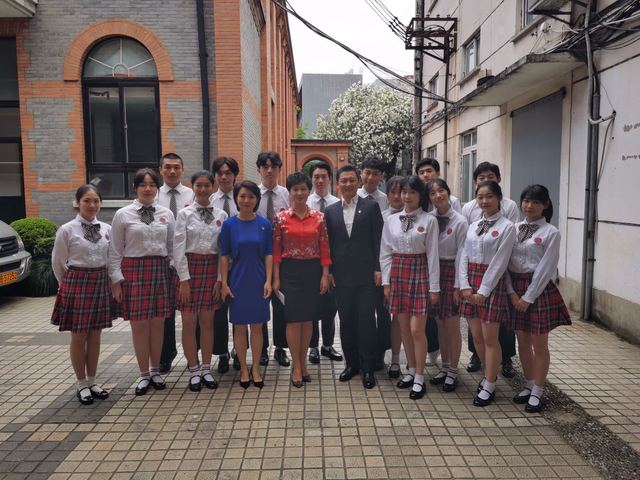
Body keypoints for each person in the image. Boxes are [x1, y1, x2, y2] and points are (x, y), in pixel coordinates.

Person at [110, 168, 175, 396]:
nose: (148, 189)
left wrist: (174, 272)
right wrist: (116, 281)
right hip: (133, 272)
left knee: (157, 324)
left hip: (160, 270)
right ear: (135, 188)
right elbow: (115, 251)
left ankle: (155, 370)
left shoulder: (166, 213)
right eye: (143, 185)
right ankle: (143, 374)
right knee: (139, 325)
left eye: (152, 185)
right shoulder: (123, 215)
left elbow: (172, 247)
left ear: (157, 188)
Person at [507, 185, 571, 413]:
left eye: (535, 202)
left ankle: (538, 390)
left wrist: (528, 297)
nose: (529, 206)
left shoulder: (551, 232)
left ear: (545, 205)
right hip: (515, 288)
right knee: (522, 339)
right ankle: (528, 383)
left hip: (538, 290)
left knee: (539, 342)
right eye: (526, 201)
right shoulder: (513, 229)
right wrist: (511, 292)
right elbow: (504, 262)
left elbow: (546, 268)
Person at [51, 185, 115, 405]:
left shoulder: (107, 229)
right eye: (87, 200)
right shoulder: (67, 230)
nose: (92, 205)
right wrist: (66, 286)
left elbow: (111, 258)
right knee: (79, 335)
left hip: (100, 282)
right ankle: (81, 384)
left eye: (96, 201)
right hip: (76, 283)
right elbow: (58, 262)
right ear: (78, 202)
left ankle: (93, 381)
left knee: (95, 335)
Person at [380, 176, 440, 400]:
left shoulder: (429, 220)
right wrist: (386, 282)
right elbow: (385, 252)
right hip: (398, 273)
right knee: (404, 328)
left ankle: (420, 377)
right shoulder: (391, 220)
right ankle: (411, 370)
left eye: (412, 192)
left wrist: (434, 287)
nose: (406, 196)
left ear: (420, 195)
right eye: (404, 192)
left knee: (417, 330)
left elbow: (433, 255)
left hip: (420, 273)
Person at [325, 164, 384, 389]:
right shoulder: (330, 211)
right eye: (344, 181)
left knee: (366, 321)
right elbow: (328, 245)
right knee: (346, 320)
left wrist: (378, 268)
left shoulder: (370, 207)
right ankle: (352, 365)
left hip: (366, 276)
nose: (348, 184)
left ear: (357, 182)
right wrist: (329, 272)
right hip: (341, 277)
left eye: (351, 180)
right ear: (337, 184)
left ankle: (368, 367)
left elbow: (378, 240)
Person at [459, 180, 516, 407]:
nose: (484, 201)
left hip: (491, 283)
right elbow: (464, 254)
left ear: (499, 198)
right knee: (477, 337)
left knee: (491, 338)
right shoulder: (473, 225)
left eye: (489, 196)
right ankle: (487, 374)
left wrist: (483, 291)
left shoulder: (507, 227)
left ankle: (490, 383)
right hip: (470, 282)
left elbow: (500, 262)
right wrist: (464, 284)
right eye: (480, 197)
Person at [273, 172, 332, 387]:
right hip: (289, 272)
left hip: (312, 272)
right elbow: (276, 250)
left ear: (309, 191)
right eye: (295, 189)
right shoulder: (280, 218)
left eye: (303, 189)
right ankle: (296, 367)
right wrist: (276, 277)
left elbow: (324, 247)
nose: (299, 193)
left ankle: (303, 363)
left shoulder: (319, 217)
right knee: (292, 319)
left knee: (308, 320)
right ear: (289, 192)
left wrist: (325, 274)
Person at [174, 170, 227, 392]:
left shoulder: (222, 215)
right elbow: (178, 248)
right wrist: (184, 280)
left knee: (207, 322)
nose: (203, 189)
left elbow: (223, 251)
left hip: (211, 270)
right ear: (193, 187)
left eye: (207, 185)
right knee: (189, 324)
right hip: (189, 269)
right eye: (199, 185)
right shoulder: (184, 214)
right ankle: (193, 369)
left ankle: (206, 368)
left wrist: (219, 279)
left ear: (213, 187)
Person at [219, 181, 273, 389]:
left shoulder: (264, 224)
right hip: (238, 280)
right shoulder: (229, 225)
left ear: (257, 200)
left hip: (259, 280)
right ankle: (243, 368)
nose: (246, 200)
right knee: (239, 327)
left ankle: (256, 368)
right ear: (236, 199)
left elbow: (268, 254)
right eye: (242, 196)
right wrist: (224, 283)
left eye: (251, 196)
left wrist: (268, 280)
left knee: (258, 327)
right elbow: (224, 256)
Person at [426, 179, 468, 392]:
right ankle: (444, 366)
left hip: (452, 271)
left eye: (441, 190)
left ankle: (453, 370)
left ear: (448, 192)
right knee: (439, 323)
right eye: (433, 193)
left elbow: (463, 253)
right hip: (434, 272)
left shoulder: (460, 221)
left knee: (452, 324)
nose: (438, 196)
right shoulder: (429, 218)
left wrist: (458, 284)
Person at [157, 152, 194, 374]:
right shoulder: (153, 194)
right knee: (165, 311)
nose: (172, 171)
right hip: (162, 261)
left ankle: (194, 356)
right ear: (161, 169)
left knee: (191, 312)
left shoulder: (192, 194)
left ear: (182, 169)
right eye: (168, 167)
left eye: (176, 167)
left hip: (188, 261)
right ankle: (166, 354)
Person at [256, 151, 290, 367]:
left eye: (274, 167)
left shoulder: (286, 194)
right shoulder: (252, 193)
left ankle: (280, 348)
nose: (269, 171)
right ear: (259, 169)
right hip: (257, 257)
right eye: (265, 167)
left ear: (279, 169)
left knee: (280, 304)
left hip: (281, 258)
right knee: (260, 302)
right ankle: (261, 349)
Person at [306, 161, 342, 365]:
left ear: (330, 179)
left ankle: (327, 345)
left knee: (330, 306)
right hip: (311, 262)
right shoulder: (305, 203)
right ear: (312, 179)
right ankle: (313, 346)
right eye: (316, 177)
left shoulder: (337, 203)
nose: (320, 181)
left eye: (323, 177)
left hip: (333, 262)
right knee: (312, 306)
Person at [357, 155, 390, 371]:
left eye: (375, 174)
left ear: (381, 176)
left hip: (383, 263)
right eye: (367, 173)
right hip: (360, 264)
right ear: (361, 173)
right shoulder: (352, 196)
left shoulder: (386, 199)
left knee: (383, 312)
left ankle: (381, 354)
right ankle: (363, 353)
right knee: (363, 313)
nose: (370, 177)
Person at [209, 156, 240, 373]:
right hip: (217, 265)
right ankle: (222, 353)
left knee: (239, 310)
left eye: (228, 173)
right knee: (218, 312)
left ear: (235, 175)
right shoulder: (210, 201)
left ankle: (239, 351)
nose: (224, 177)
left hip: (240, 264)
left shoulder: (243, 197)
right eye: (220, 173)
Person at [382, 176, 405, 379]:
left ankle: (412, 362)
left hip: (412, 273)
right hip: (387, 273)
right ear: (387, 194)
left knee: (407, 320)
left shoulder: (421, 216)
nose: (397, 196)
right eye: (393, 192)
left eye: (401, 192)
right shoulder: (381, 216)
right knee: (389, 318)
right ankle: (393, 358)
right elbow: (380, 250)